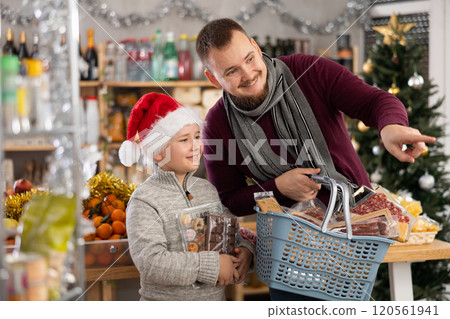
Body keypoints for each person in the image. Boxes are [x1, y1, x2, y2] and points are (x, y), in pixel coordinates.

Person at [195, 18, 436, 300]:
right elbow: (229, 199)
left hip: (354, 239)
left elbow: (375, 102)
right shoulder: (217, 124)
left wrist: (391, 126)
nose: (248, 74)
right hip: (290, 256)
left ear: (257, 48)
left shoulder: (309, 71)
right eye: (232, 71)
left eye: (249, 59)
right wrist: (278, 188)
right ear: (213, 78)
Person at [118, 92, 254, 301]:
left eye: (197, 137)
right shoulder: (144, 200)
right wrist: (212, 265)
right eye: (184, 140)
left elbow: (231, 237)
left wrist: (245, 252)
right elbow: (152, 263)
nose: (196, 146)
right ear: (158, 152)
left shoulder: (208, 190)